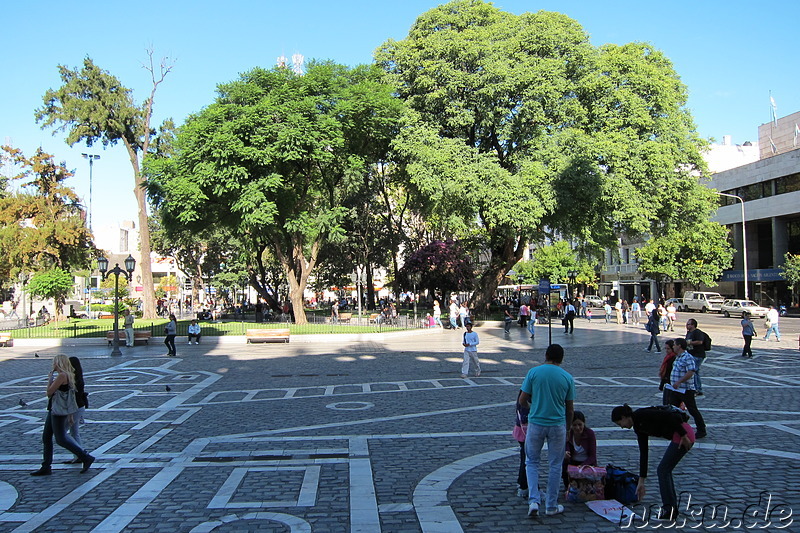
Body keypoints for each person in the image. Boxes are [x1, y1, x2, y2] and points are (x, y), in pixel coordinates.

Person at [611, 404, 694, 522]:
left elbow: (670, 416)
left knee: (663, 470)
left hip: (683, 435)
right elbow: (643, 453)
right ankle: (671, 509)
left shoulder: (641, 414)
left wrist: (684, 436)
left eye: (620, 424)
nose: (622, 427)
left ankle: (669, 510)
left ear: (624, 417)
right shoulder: (638, 427)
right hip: (680, 435)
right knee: (665, 470)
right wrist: (641, 481)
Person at [519, 344, 575, 517]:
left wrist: (534, 406)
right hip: (557, 424)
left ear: (546, 355)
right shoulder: (567, 377)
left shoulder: (534, 373)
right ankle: (551, 505)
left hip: (536, 423)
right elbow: (570, 408)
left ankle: (534, 500)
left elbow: (522, 400)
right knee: (555, 465)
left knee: (532, 462)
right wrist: (568, 428)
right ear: (562, 358)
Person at [31, 355, 95, 476]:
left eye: (54, 362)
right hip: (55, 408)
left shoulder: (62, 376)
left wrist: (50, 379)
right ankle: (46, 466)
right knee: (46, 437)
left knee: (61, 438)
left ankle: (85, 456)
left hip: (58, 410)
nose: (53, 364)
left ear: (58, 363)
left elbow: (49, 393)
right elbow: (70, 397)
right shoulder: (69, 375)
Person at [665, 338, 707, 439]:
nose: (673, 346)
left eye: (674, 345)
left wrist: (679, 381)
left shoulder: (687, 357)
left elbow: (691, 372)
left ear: (679, 346)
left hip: (686, 389)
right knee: (673, 409)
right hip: (676, 389)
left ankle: (701, 429)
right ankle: (675, 429)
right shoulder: (678, 357)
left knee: (692, 410)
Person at [561, 411, 597, 490]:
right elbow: (566, 446)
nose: (577, 428)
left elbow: (592, 456)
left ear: (584, 423)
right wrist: (566, 453)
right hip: (573, 462)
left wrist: (583, 465)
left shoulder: (590, 434)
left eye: (580, 425)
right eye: (574, 425)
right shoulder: (568, 434)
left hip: (587, 463)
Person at [65, 356, 88, 464]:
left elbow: (72, 397)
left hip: (75, 408)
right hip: (79, 407)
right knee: (75, 432)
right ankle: (78, 455)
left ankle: (81, 454)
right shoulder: (78, 377)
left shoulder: (72, 379)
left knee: (62, 433)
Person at [513, 391, 531, 498]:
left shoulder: (523, 391)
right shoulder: (527, 396)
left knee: (525, 457)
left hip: (521, 431)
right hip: (526, 432)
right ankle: (524, 486)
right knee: (528, 459)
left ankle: (521, 481)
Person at [684, 319, 707, 397]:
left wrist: (689, 342)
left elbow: (700, 342)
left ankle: (697, 389)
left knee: (694, 372)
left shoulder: (697, 332)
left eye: (688, 324)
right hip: (691, 354)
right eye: (687, 324)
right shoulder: (689, 333)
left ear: (693, 325)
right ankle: (695, 388)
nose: (687, 326)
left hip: (698, 355)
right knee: (693, 371)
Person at [658, 340, 678, 405]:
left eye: (668, 348)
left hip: (672, 383)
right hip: (667, 383)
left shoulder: (674, 358)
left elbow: (669, 372)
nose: (666, 350)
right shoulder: (668, 357)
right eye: (665, 348)